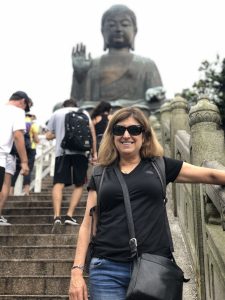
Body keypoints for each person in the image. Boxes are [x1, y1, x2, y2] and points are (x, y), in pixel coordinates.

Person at [68, 107, 225, 300]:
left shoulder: (160, 166)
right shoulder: (100, 174)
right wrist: (76, 271)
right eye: (119, 130)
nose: (126, 135)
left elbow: (210, 174)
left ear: (145, 135)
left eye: (134, 130)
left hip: (153, 268)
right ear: (112, 135)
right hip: (106, 269)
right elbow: (87, 224)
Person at [71, 5, 163, 110]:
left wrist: (154, 95)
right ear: (103, 31)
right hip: (100, 113)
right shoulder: (93, 64)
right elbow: (77, 102)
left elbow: (158, 98)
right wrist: (79, 76)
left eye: (124, 24)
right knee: (60, 108)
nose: (118, 29)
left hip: (135, 112)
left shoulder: (146, 64)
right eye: (111, 25)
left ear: (135, 31)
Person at [46, 99, 97, 226]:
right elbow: (92, 134)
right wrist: (94, 153)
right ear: (76, 106)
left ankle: (57, 216)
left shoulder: (57, 113)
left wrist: (59, 134)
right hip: (81, 153)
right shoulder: (84, 112)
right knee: (79, 184)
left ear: (63, 105)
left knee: (58, 183)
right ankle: (69, 215)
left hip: (62, 153)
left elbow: (48, 135)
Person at [0, 91, 31, 225]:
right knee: (5, 184)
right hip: (2, 155)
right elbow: (18, 136)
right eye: (26, 107)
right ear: (22, 101)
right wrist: (24, 161)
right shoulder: (17, 112)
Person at [10, 111, 40, 196]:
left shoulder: (18, 123)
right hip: (31, 149)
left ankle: (10, 191)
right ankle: (26, 191)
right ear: (32, 116)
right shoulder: (33, 124)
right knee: (28, 170)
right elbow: (36, 139)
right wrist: (38, 141)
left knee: (15, 170)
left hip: (19, 148)